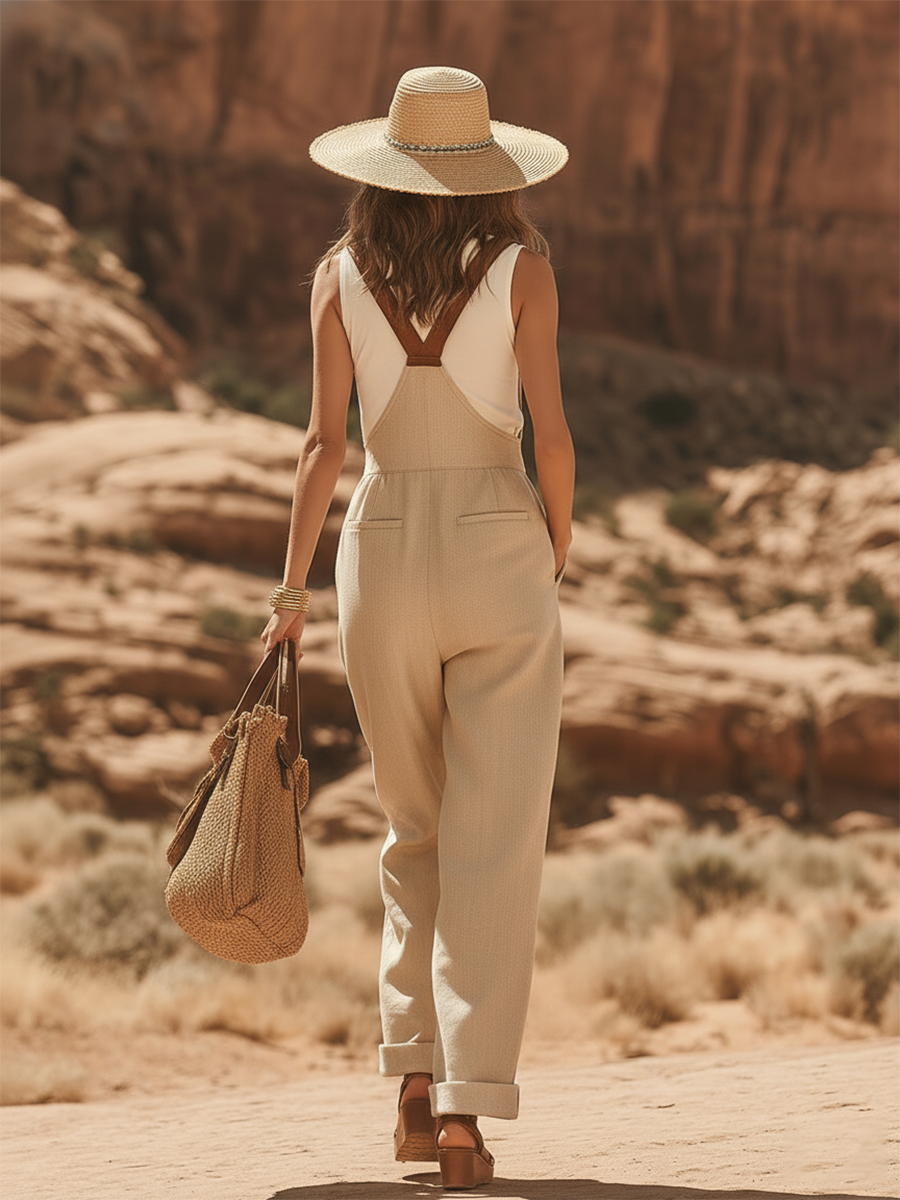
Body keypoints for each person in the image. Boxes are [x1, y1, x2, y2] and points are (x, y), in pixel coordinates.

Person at [262, 65, 574, 1190]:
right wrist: (556, 552)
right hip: (500, 537)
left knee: (413, 828)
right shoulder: (526, 266)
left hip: (381, 543)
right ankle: (462, 1116)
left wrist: (290, 598)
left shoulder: (337, 276)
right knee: (494, 839)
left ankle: (407, 1079)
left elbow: (319, 449)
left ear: (383, 173)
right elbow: (552, 433)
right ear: (488, 172)